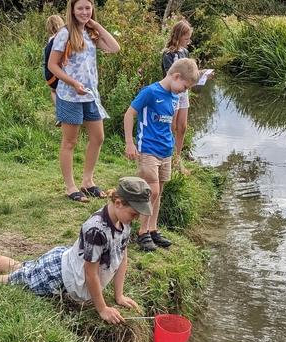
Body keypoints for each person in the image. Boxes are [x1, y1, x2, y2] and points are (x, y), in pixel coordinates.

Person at [0, 177, 153, 324]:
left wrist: (119, 296)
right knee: (4, 280)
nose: (136, 219)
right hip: (58, 276)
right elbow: (91, 275)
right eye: (134, 213)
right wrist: (101, 308)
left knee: (17, 266)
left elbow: (121, 256)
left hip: (65, 260)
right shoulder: (96, 230)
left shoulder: (123, 223)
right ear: (118, 203)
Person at [124, 58, 200, 251]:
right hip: (148, 149)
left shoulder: (175, 97)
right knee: (152, 191)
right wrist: (129, 143)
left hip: (165, 151)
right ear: (176, 76)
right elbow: (129, 114)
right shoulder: (150, 92)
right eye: (184, 86)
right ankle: (142, 232)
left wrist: (175, 154)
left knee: (159, 193)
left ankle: (152, 228)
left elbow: (170, 126)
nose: (184, 91)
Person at [48, 0, 120, 203]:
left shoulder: (92, 33)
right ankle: (70, 187)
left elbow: (115, 48)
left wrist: (95, 24)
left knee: (98, 137)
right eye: (80, 8)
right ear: (72, 10)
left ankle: (87, 181)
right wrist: (73, 83)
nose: (84, 12)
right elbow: (53, 65)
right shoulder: (64, 34)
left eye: (88, 8)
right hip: (70, 95)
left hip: (91, 95)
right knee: (70, 141)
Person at [161, 20, 214, 175]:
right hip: (172, 93)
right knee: (170, 127)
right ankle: (167, 159)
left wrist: (202, 74)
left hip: (184, 93)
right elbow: (170, 76)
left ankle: (177, 160)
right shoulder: (168, 55)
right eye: (186, 39)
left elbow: (189, 73)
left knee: (182, 127)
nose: (188, 42)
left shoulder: (185, 52)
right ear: (178, 36)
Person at [44, 14, 65, 107]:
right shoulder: (64, 37)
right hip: (62, 71)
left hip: (52, 75)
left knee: (53, 91)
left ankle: (60, 110)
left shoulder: (51, 40)